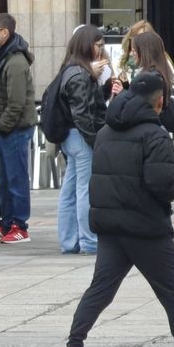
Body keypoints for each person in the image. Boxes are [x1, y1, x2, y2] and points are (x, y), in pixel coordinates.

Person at [52, 72, 174, 347]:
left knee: (100, 289)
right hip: (146, 227)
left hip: (110, 225)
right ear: (160, 100)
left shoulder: (106, 130)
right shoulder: (154, 134)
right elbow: (160, 183)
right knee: (173, 292)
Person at [0, 13, 37, 245]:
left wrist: (3, 124)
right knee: (3, 180)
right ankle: (6, 223)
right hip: (6, 128)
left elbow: (16, 101)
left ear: (5, 32)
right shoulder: (0, 55)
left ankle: (19, 225)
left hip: (16, 128)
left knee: (16, 178)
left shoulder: (15, 61)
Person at [53, 25, 109, 256]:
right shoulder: (79, 74)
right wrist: (96, 140)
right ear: (87, 45)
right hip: (80, 136)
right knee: (84, 189)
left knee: (70, 189)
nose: (101, 51)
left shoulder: (71, 69)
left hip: (70, 136)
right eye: (98, 46)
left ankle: (69, 242)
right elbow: (83, 114)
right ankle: (89, 242)